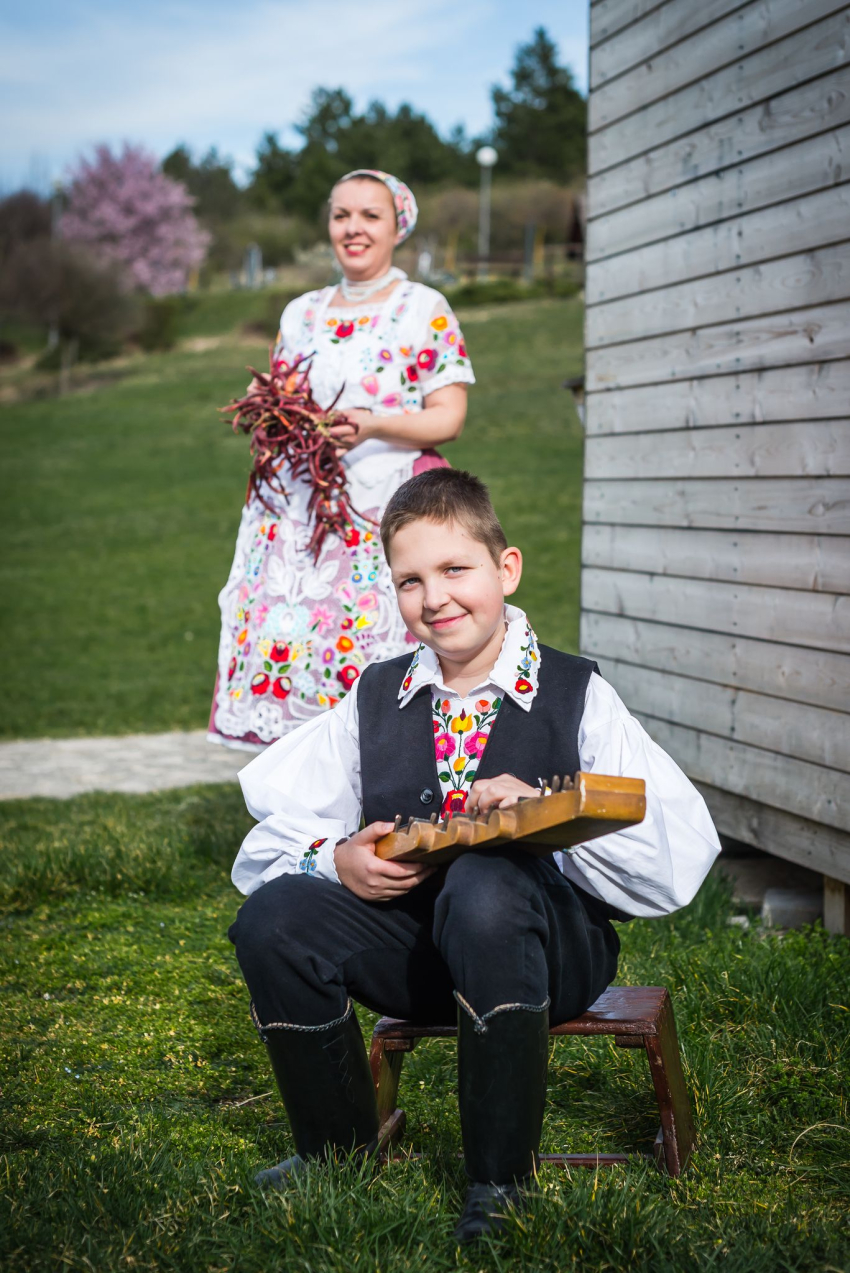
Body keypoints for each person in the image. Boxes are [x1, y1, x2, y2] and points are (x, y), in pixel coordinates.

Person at [228, 469, 720, 1243]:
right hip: (424, 956)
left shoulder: (573, 692)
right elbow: (264, 837)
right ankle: (336, 1152)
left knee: (488, 883)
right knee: (273, 916)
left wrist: (544, 814)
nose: (436, 598)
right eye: (411, 580)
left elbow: (679, 855)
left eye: (456, 570)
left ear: (506, 568)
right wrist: (335, 858)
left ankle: (500, 1183)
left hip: (547, 953)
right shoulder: (378, 696)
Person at [209, 170, 474, 750]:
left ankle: (390, 791)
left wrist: (374, 423)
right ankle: (306, 806)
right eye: (341, 215)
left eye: (369, 216)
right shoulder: (300, 313)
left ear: (397, 227)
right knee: (299, 641)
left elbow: (447, 417)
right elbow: (281, 401)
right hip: (300, 512)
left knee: (373, 644)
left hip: (382, 508)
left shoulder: (422, 308)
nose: (353, 229)